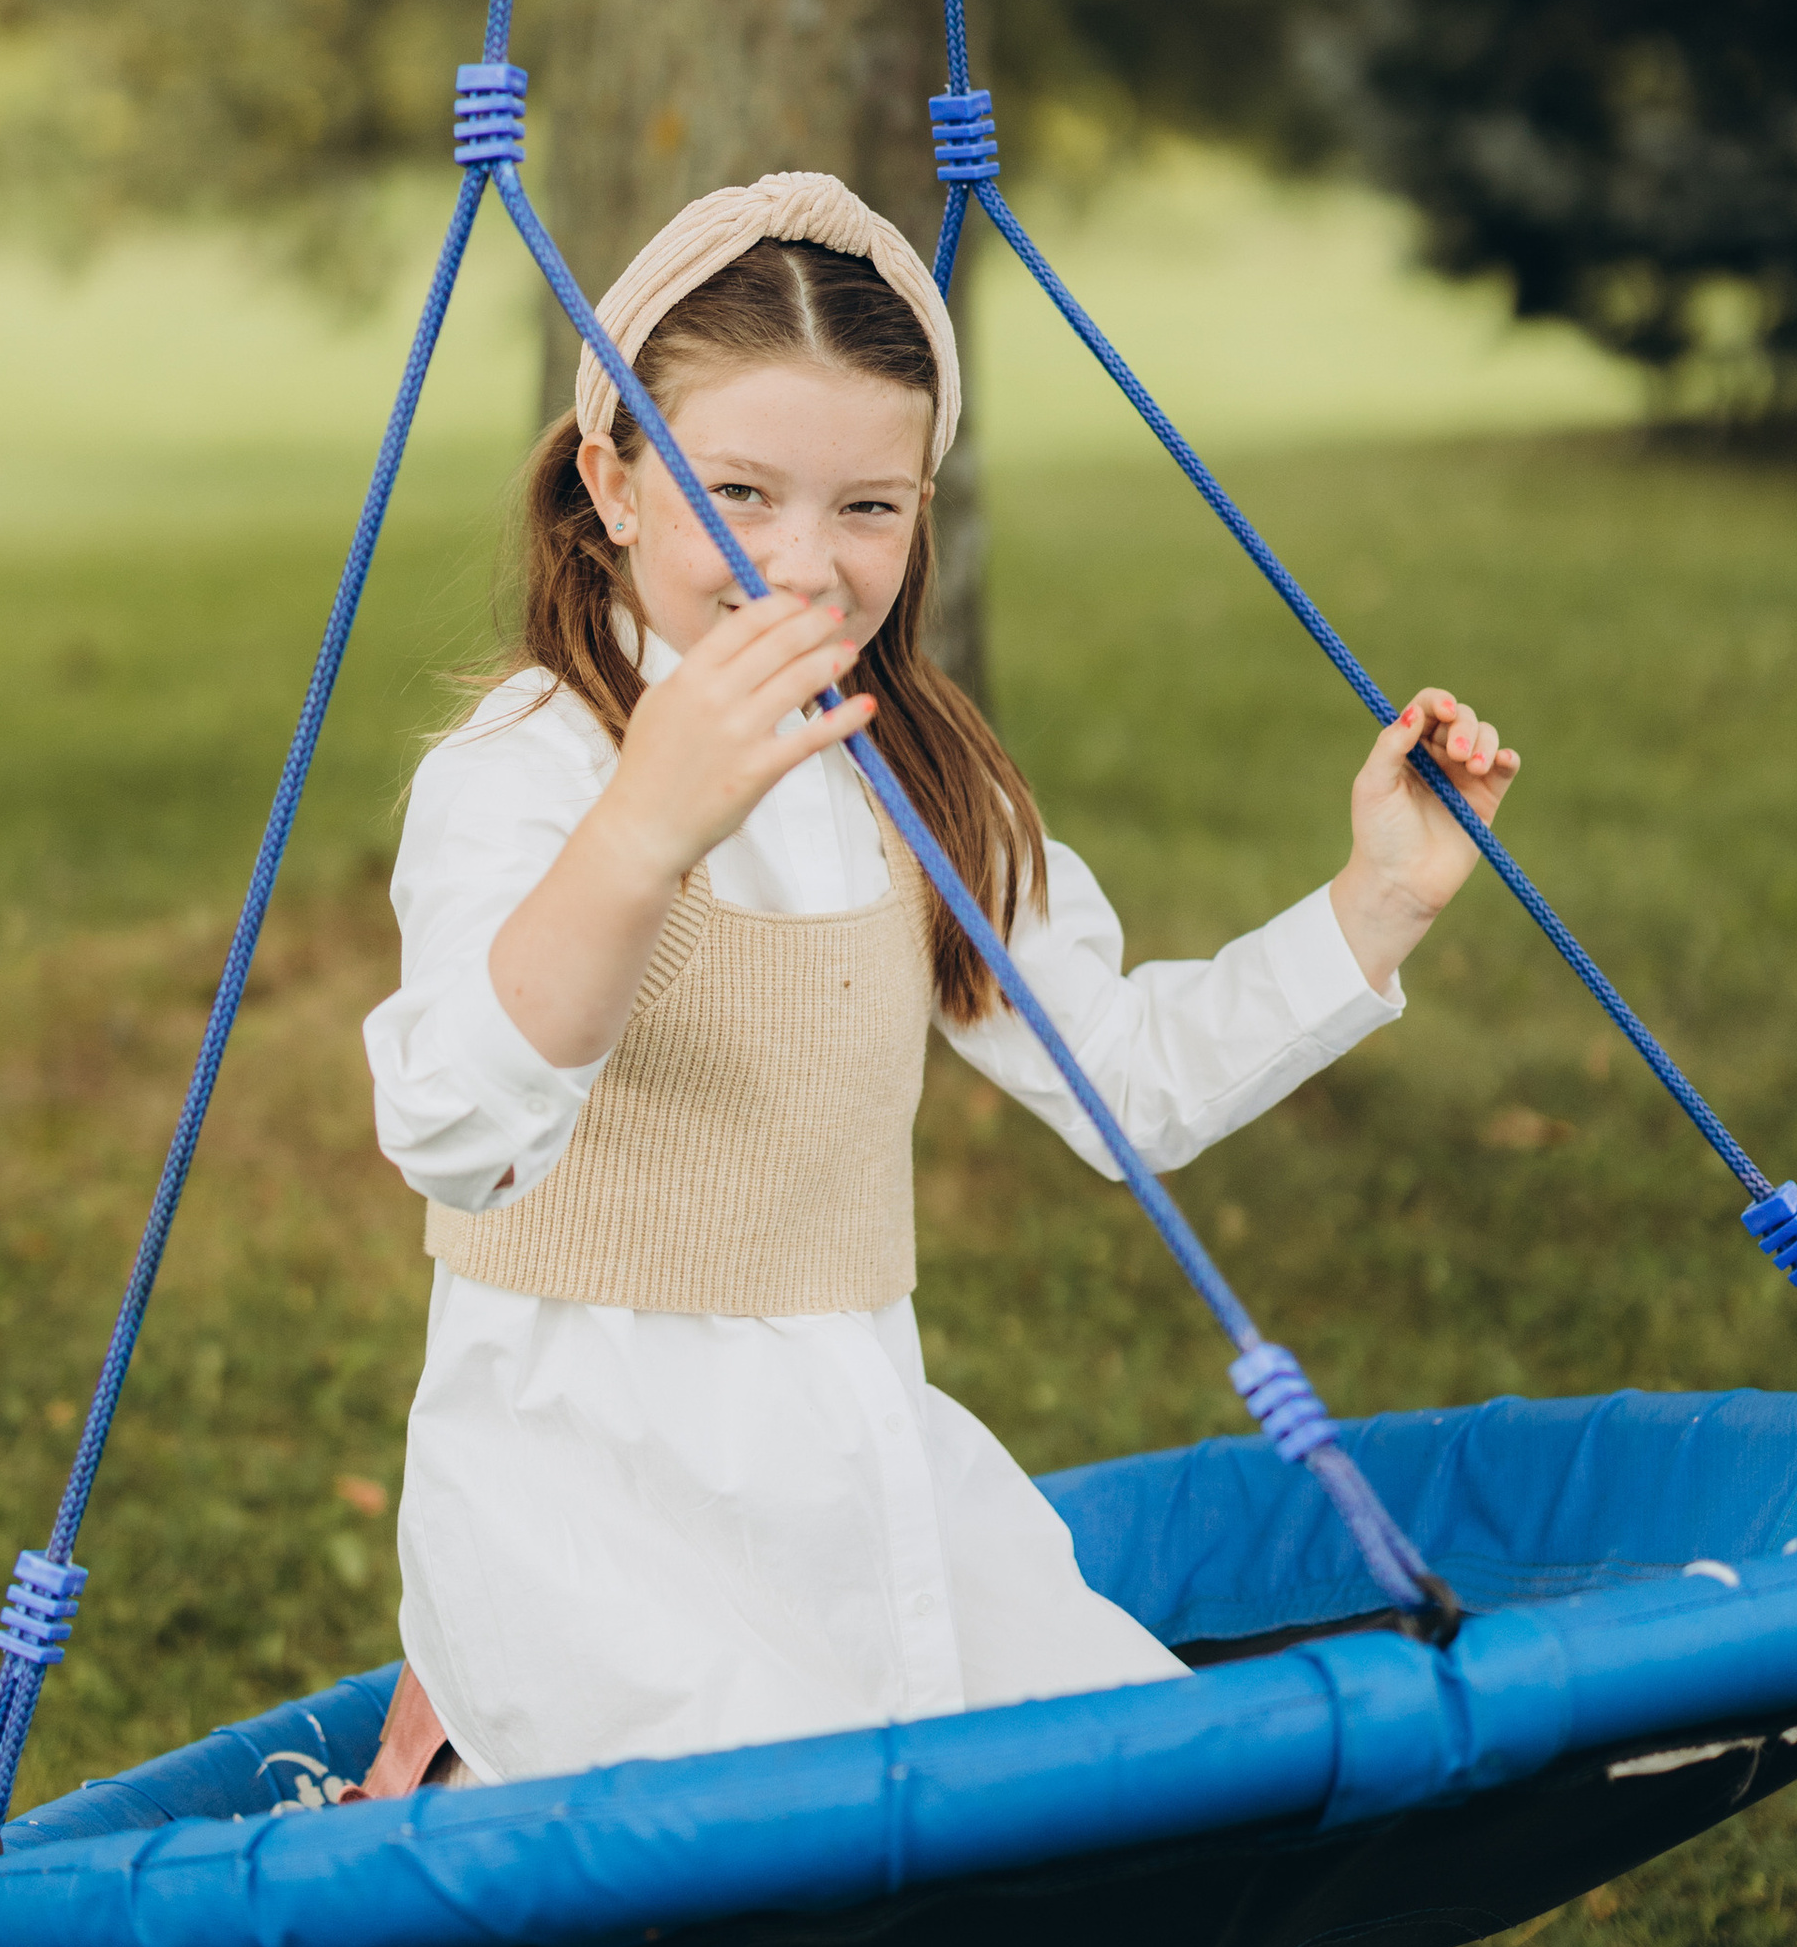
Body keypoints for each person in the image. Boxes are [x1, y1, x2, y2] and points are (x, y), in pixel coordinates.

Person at [357, 172, 1518, 1793]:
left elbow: (1128, 1086)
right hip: (590, 1510)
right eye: (736, 491)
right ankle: (452, 1746)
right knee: (782, 1845)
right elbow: (457, 1133)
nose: (804, 565)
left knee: (1142, 1800)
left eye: (869, 509)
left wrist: (1375, 899)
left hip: (856, 1475)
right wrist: (639, 836)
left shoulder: (914, 778)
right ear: (611, 480)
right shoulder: (528, 770)